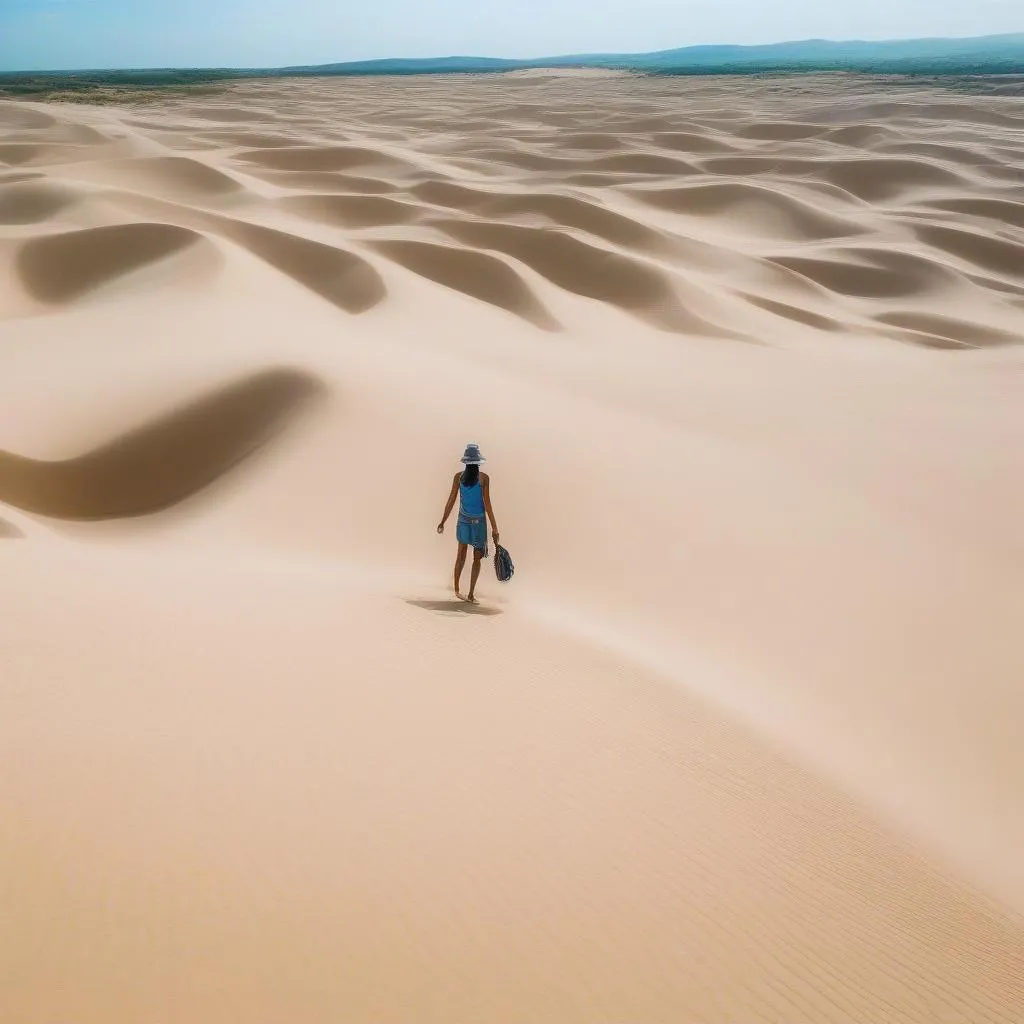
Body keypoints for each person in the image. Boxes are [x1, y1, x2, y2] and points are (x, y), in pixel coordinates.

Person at [436, 443, 499, 603]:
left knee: (461, 556)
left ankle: (458, 590)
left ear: (465, 462)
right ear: (478, 462)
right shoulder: (483, 478)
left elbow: (451, 499)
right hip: (478, 522)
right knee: (475, 558)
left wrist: (443, 520)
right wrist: (494, 528)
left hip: (463, 520)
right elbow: (488, 504)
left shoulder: (459, 477)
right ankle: (469, 594)